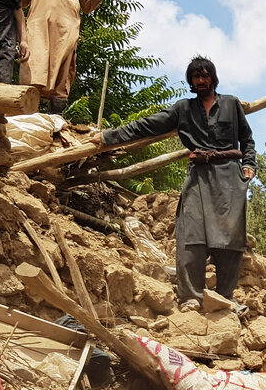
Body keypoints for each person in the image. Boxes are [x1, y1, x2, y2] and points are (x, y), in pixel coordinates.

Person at [95, 56, 256, 309]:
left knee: (230, 238)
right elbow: (147, 125)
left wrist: (248, 166)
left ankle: (225, 297)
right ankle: (191, 297)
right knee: (191, 233)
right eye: (196, 77)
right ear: (191, 81)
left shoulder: (232, 104)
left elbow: (247, 139)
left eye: (205, 76)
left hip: (229, 178)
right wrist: (109, 136)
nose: (201, 81)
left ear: (213, 78)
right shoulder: (183, 109)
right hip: (198, 176)